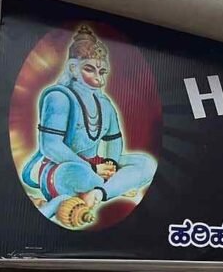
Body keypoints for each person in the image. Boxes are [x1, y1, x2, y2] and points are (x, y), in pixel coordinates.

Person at [21, 24, 155, 228]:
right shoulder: (59, 97)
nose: (97, 78)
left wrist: (110, 165)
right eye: (89, 69)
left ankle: (97, 193)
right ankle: (117, 186)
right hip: (64, 168)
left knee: (146, 164)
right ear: (73, 68)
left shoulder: (105, 105)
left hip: (97, 167)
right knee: (77, 173)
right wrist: (93, 167)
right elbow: (51, 147)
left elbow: (113, 144)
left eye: (102, 71)